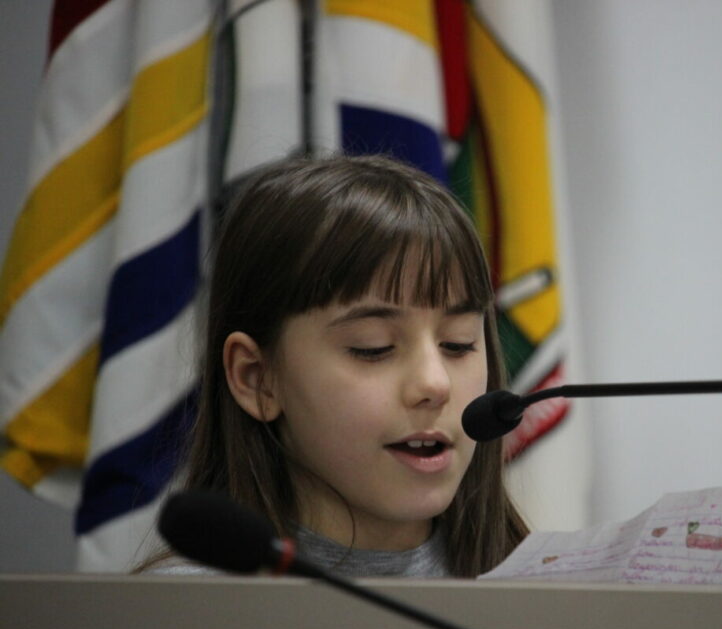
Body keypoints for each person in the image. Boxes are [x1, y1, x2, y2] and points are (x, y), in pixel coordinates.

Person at [140, 154, 528, 577]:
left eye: (458, 344)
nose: (435, 384)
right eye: (373, 348)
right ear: (256, 378)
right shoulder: (179, 616)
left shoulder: (546, 589)